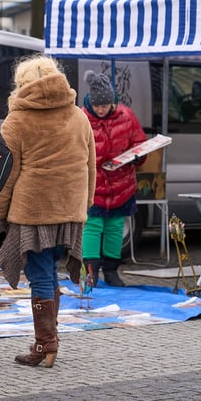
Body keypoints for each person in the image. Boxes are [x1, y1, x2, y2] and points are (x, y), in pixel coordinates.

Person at [0, 54, 96, 368]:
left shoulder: (17, 120)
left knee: (40, 274)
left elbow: (7, 174)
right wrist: (85, 203)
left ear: (22, 84)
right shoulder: (79, 116)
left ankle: (46, 343)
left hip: (34, 211)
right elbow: (90, 165)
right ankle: (47, 340)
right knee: (50, 272)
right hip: (70, 209)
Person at [81, 70, 147, 287]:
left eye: (105, 105)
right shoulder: (81, 119)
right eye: (97, 105)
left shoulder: (126, 116)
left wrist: (139, 155)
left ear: (113, 102)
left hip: (121, 184)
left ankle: (111, 271)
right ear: (90, 101)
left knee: (115, 227)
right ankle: (90, 273)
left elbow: (138, 141)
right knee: (92, 226)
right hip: (93, 184)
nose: (101, 109)